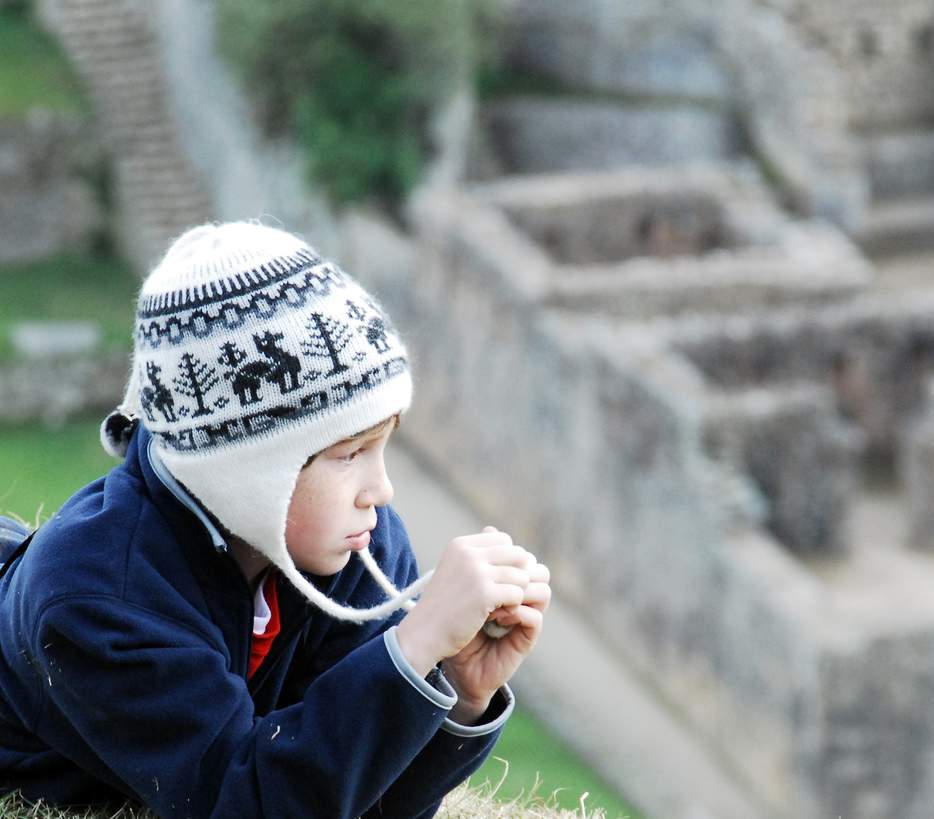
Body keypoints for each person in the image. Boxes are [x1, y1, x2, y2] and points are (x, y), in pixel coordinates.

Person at [0, 221, 551, 818]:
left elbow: (364, 798)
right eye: (349, 455)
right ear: (246, 470)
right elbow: (245, 804)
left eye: (382, 445)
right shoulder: (96, 597)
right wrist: (411, 647)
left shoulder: (356, 541)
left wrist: (459, 694)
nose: (381, 489)